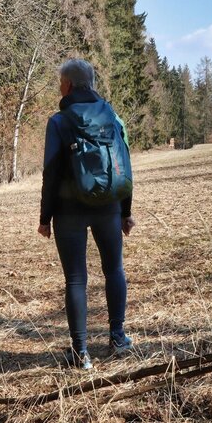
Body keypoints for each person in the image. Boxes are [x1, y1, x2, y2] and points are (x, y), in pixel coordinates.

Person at [38, 59, 135, 369]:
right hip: (108, 206)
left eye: (59, 82)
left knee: (76, 280)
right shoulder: (113, 116)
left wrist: (45, 217)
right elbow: (124, 163)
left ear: (67, 85)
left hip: (69, 212)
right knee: (114, 269)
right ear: (91, 83)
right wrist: (125, 211)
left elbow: (50, 173)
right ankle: (118, 337)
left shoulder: (58, 121)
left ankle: (81, 354)